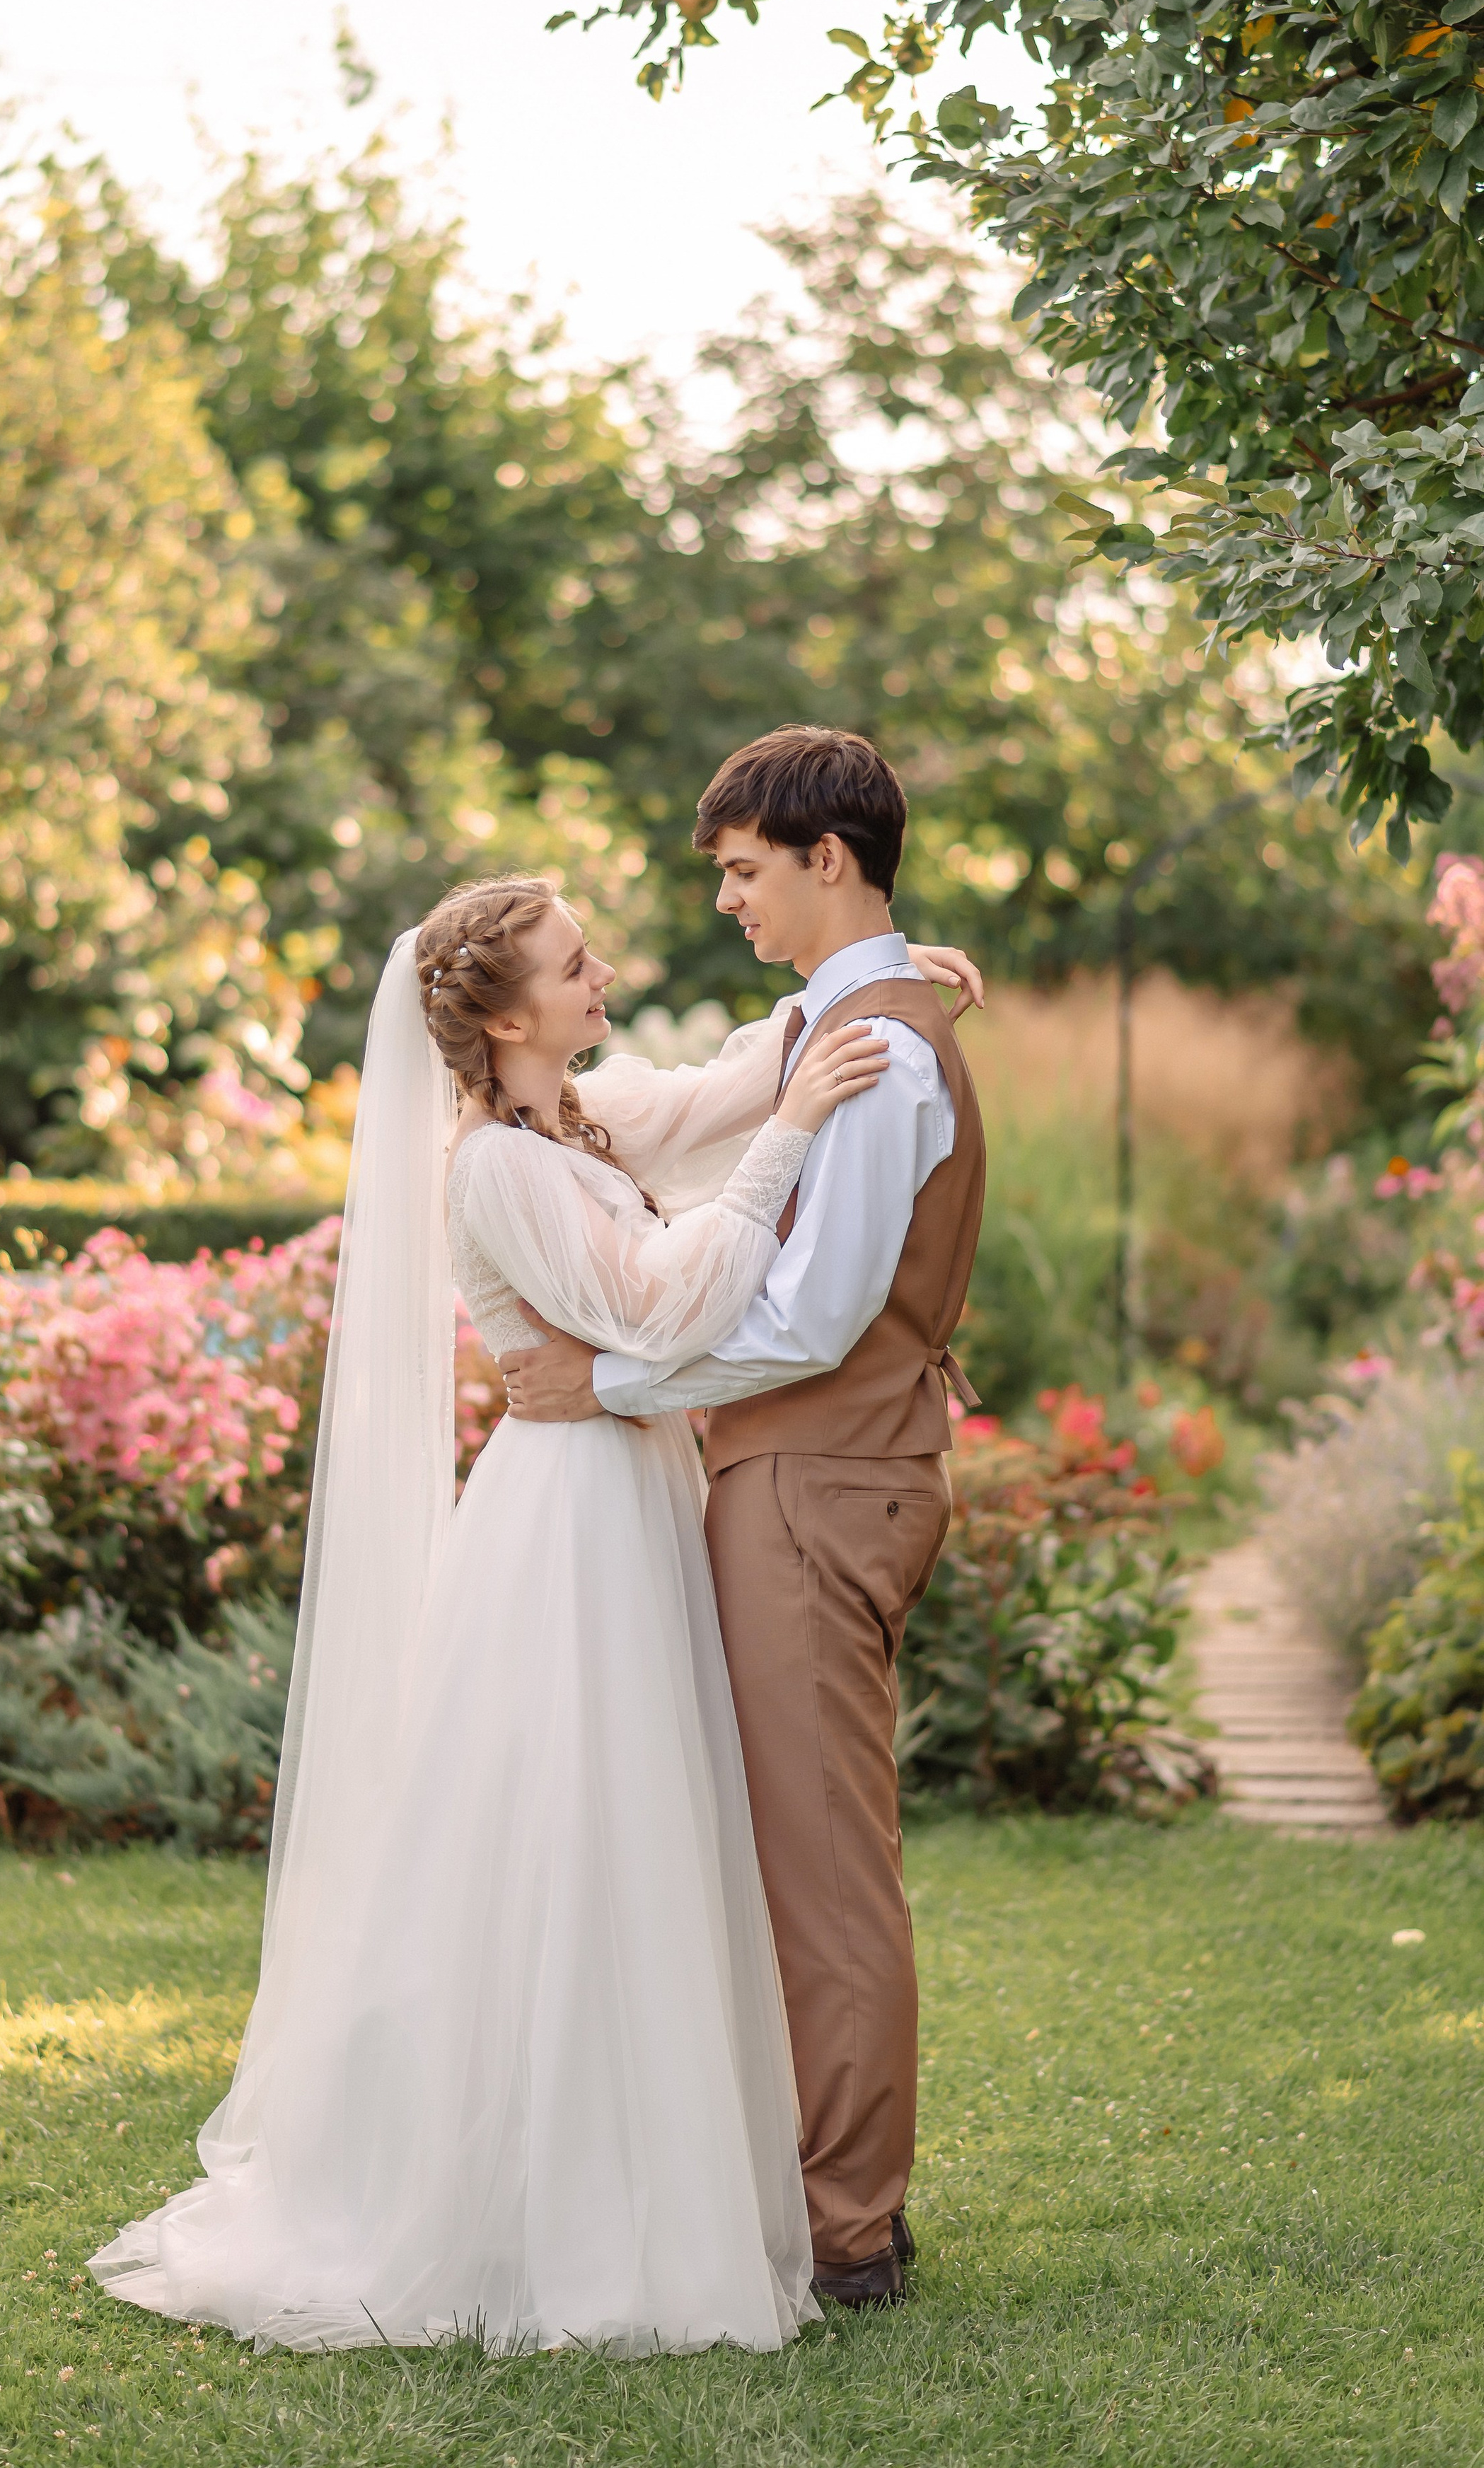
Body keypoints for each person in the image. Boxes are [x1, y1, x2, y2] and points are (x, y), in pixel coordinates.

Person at [90, 869, 974, 2356]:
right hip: (563, 1521)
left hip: (621, 1495)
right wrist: (797, 1129)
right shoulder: (494, 1164)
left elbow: (694, 1090)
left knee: (647, 1834)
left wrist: (858, 984)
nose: (600, 973)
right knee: (565, 1833)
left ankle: (653, 2162)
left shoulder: (577, 1115)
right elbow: (660, 1303)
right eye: (572, 966)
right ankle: (540, 2194)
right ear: (500, 1016)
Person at [501, 725, 988, 2312]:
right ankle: (829, 2189)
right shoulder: (846, 1026)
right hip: (815, 1472)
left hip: (814, 1481)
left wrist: (614, 1385)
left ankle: (849, 2229)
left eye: (739, 868)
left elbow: (807, 1315)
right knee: (796, 1849)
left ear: (822, 859)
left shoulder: (884, 1051)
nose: (721, 897)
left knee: (818, 1864)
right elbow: (712, 1108)